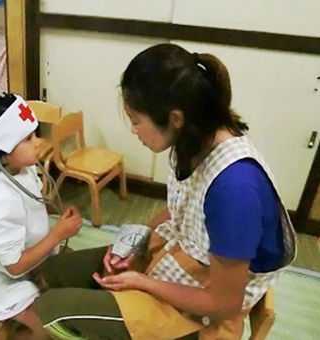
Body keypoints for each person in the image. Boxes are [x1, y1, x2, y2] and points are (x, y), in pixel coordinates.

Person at [30, 43, 297, 340]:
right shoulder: (194, 138)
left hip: (205, 314)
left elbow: (223, 305)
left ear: (175, 118)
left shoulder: (236, 191)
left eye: (135, 121)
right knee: (51, 272)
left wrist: (143, 283)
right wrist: (133, 244)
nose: (133, 131)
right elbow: (182, 206)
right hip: (181, 259)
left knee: (49, 308)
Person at [0, 93, 83, 340]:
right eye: (27, 138)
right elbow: (13, 267)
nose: (38, 142)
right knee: (51, 332)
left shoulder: (21, 168)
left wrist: (58, 218)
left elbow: (32, 203)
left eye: (35, 134)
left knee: (69, 288)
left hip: (22, 259)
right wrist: (58, 234)